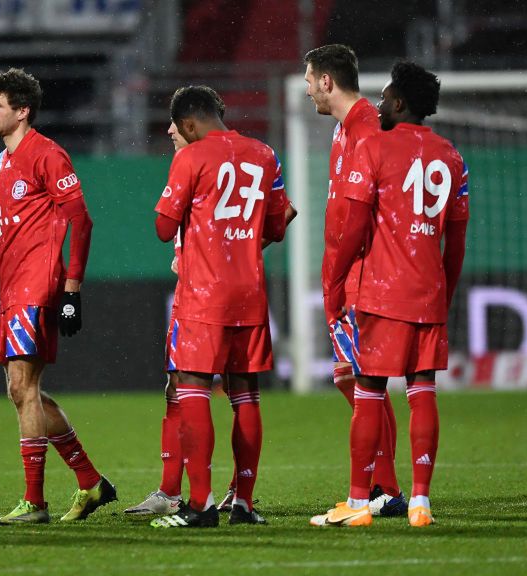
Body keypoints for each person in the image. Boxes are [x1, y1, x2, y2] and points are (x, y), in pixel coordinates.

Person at [312, 61, 469, 528]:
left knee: (369, 392)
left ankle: (359, 503)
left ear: (399, 103)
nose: (378, 105)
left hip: (383, 292)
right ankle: (420, 501)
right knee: (423, 393)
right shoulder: (452, 157)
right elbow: (456, 243)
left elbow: (354, 226)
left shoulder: (376, 147)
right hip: (429, 293)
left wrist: (335, 283)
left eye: (384, 98)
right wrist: (446, 292)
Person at [125, 117, 296, 519]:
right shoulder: (260, 154)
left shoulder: (195, 159)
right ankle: (241, 499)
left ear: (190, 123)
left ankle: (192, 499)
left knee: (188, 385)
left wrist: (205, 257)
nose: (168, 131)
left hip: (202, 295)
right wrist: (240, 251)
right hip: (248, 293)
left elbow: (163, 226)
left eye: (173, 124)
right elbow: (282, 215)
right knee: (244, 393)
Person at [0, 67, 115, 524]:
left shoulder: (48, 155)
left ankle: (35, 501)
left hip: (39, 283)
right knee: (23, 391)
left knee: (22, 387)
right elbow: (3, 236)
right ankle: (90, 482)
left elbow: (82, 221)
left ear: (22, 111)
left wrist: (72, 290)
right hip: (12, 287)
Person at [303, 44, 407, 516]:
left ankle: (381, 489)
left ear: (327, 81)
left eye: (309, 80)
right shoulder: (347, 131)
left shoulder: (369, 129)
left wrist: (346, 275)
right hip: (347, 274)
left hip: (363, 276)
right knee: (354, 380)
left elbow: (367, 212)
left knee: (361, 381)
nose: (306, 89)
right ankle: (386, 488)